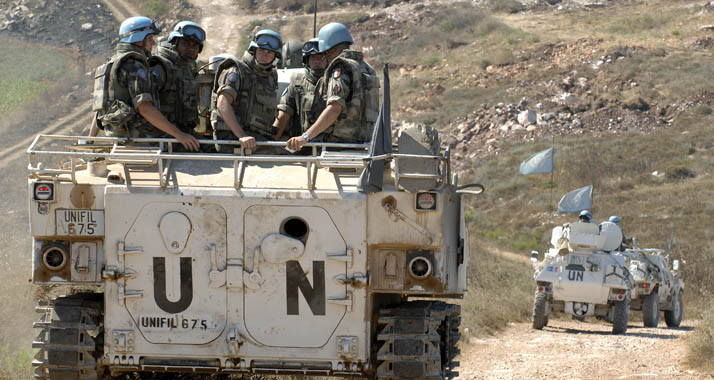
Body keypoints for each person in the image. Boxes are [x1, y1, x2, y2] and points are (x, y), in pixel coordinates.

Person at [91, 16, 199, 151]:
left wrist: (89, 141)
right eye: (149, 39)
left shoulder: (111, 64)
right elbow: (145, 108)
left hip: (120, 138)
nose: (153, 43)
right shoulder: (135, 65)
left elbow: (101, 110)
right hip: (142, 139)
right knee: (206, 149)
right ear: (137, 39)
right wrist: (180, 135)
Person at [286, 22, 379, 151]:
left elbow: (334, 109)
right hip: (364, 142)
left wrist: (305, 137)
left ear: (329, 49)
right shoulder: (366, 68)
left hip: (338, 143)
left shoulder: (340, 68)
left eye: (324, 53)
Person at [210, 29, 282, 153]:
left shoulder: (271, 77)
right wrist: (241, 136)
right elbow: (222, 104)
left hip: (259, 138)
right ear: (253, 51)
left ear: (275, 57)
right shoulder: (236, 70)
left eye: (270, 53)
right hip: (232, 138)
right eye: (261, 51)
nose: (265, 55)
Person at [149, 21, 206, 145]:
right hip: (162, 137)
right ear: (174, 43)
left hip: (185, 134)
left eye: (195, 45)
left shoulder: (189, 69)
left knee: (220, 149)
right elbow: (145, 108)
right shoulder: (161, 67)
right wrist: (178, 135)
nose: (190, 48)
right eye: (185, 43)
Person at [272, 38, 328, 144]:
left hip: (330, 146)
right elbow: (284, 113)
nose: (317, 61)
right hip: (301, 146)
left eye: (322, 57)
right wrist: (272, 141)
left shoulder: (335, 83)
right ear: (306, 61)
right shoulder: (297, 84)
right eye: (313, 58)